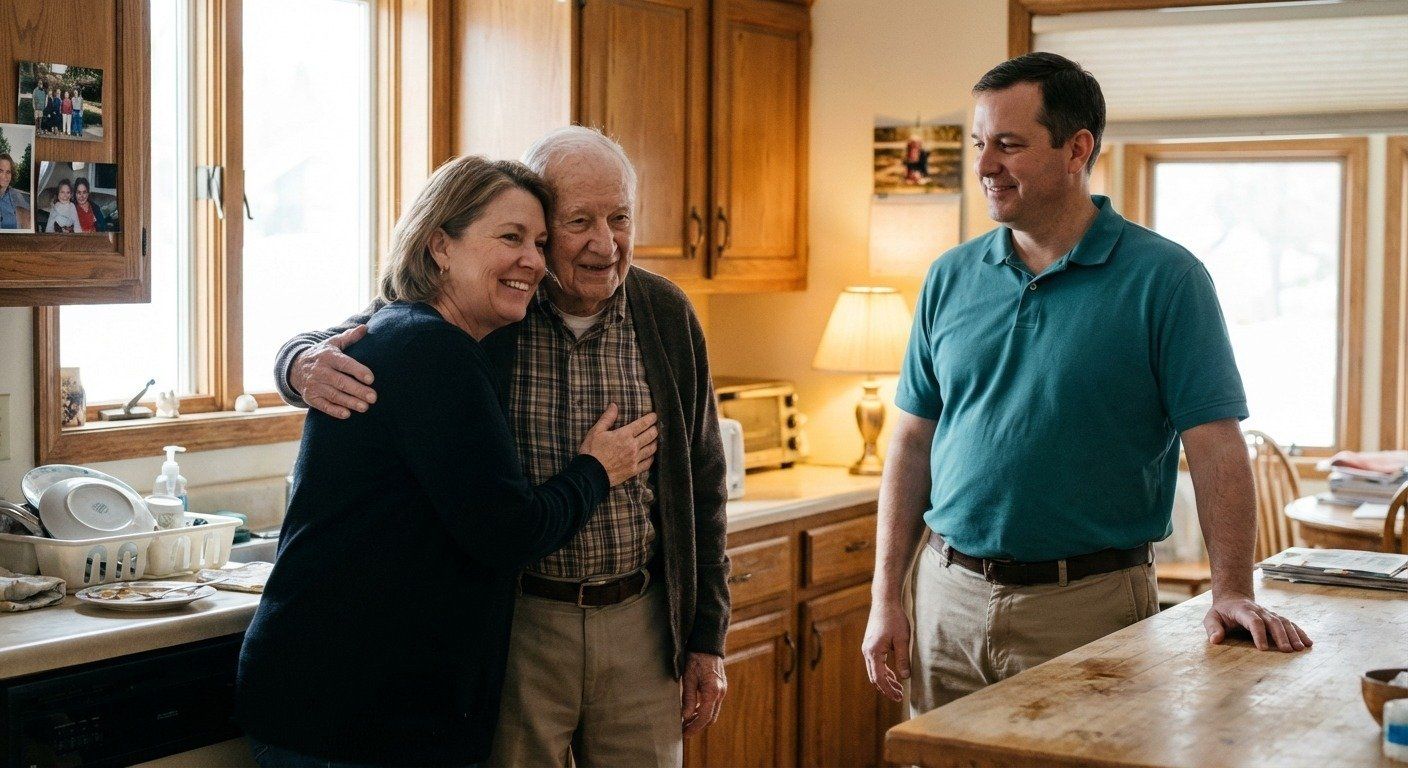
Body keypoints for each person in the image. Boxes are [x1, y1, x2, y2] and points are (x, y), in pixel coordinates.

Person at [861, 52, 1312, 716]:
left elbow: (1216, 446)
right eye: (982, 144)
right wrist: (886, 598)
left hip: (1088, 606)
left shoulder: (1166, 280)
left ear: (1076, 150)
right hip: (945, 603)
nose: (985, 165)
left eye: (1009, 145)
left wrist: (1232, 590)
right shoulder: (947, 278)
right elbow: (909, 446)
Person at [276, 127, 730, 767]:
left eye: (620, 218)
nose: (606, 243)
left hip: (642, 623)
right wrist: (296, 361)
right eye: (578, 223)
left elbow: (704, 483)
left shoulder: (665, 313)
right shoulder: (496, 302)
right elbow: (377, 329)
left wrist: (706, 638)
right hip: (517, 625)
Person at [0, 154, 31, 231]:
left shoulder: (15, 196)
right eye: (0, 171)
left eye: (8, 172)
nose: (4, 176)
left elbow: (28, 224)